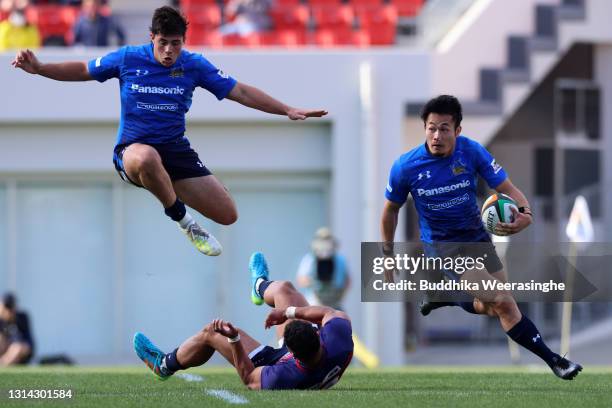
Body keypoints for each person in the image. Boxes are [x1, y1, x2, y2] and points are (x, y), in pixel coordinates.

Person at [11, 6, 327, 257]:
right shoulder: (127, 58)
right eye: (163, 43)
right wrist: (40, 69)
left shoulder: (194, 65)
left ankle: (168, 186)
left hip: (174, 151)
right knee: (147, 157)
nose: (168, 51)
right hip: (132, 152)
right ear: (152, 38)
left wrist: (286, 109)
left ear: (183, 42)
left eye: (176, 44)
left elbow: (240, 91)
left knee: (228, 214)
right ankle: (183, 221)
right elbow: (83, 69)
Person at [380, 95, 582, 380]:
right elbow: (390, 211)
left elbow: (509, 189)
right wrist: (388, 255)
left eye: (445, 128)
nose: (436, 135)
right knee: (504, 301)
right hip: (444, 247)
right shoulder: (406, 167)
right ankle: (556, 361)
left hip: (477, 237)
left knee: (494, 307)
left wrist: (526, 214)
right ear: (424, 127)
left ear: (458, 130)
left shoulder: (472, 152)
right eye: (431, 128)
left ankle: (444, 296)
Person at [134, 252, 353, 390]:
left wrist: (234, 339)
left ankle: (163, 365)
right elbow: (328, 312)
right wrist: (288, 313)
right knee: (284, 288)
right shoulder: (338, 343)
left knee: (212, 332)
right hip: (311, 361)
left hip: (273, 362)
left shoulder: (285, 377)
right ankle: (259, 286)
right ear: (318, 334)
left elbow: (249, 379)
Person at [296, 227, 350, 310]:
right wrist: (315, 284)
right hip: (315, 303)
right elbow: (301, 280)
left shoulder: (340, 259)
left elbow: (347, 280)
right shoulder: (310, 259)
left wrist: (339, 296)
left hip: (334, 304)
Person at [0, 293, 35, 366]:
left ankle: (2, 365)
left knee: (16, 348)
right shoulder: (1, 320)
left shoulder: (22, 317)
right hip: (6, 350)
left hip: (21, 349)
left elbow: (24, 342)